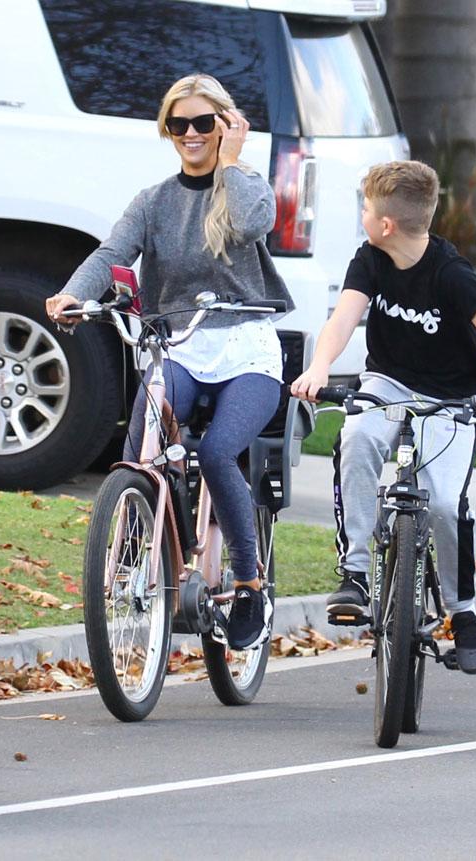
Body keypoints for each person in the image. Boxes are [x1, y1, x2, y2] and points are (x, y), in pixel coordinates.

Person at [46, 74, 294, 651]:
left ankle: (248, 582)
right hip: (180, 342)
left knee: (215, 451)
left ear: (225, 126)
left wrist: (231, 160)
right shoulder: (153, 201)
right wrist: (72, 294)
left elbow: (256, 223)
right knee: (144, 442)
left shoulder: (243, 185)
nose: (189, 133)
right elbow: (112, 255)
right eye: (178, 123)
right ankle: (139, 542)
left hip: (246, 345)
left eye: (203, 122)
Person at [291, 160, 476, 675]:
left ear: (386, 224)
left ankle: (463, 614)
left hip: (453, 398)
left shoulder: (452, 275)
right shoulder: (371, 259)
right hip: (387, 384)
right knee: (356, 436)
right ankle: (356, 569)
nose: (362, 216)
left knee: (444, 502)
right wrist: (318, 368)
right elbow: (342, 321)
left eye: (365, 209)